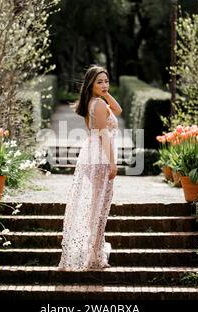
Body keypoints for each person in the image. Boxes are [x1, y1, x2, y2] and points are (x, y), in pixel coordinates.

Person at [58, 65, 122, 271]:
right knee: (100, 207)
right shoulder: (99, 106)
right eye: (99, 82)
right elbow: (103, 134)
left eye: (106, 81)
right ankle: (94, 255)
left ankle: (94, 251)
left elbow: (118, 110)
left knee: (97, 205)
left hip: (91, 155)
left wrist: (104, 92)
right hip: (100, 158)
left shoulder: (93, 103)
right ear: (90, 85)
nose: (105, 85)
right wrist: (112, 162)